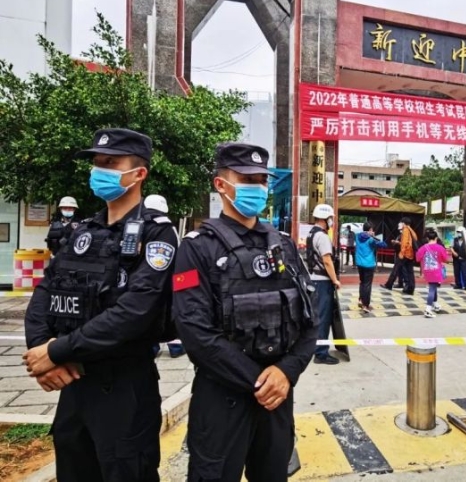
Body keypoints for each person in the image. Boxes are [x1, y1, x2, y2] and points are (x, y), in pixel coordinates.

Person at [23, 128, 179, 482]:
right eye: (97, 163)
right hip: (73, 383)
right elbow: (46, 290)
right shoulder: (82, 230)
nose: (99, 170)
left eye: (111, 163)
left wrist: (58, 350)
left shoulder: (157, 233)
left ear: (139, 173)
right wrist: (42, 350)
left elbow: (135, 311)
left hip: (123, 385)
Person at [171, 142, 318, 482]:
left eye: (262, 180)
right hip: (222, 398)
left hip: (277, 398)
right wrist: (261, 381)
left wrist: (286, 372)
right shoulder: (196, 248)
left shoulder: (283, 245)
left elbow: (311, 318)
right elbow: (194, 331)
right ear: (221, 185)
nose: (258, 187)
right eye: (247, 179)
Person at [144, 194, 185, 360]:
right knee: (171, 312)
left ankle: (152, 345)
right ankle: (175, 345)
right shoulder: (168, 228)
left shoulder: (137, 226)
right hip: (169, 280)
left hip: (144, 282)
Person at [305, 203, 341, 365]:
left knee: (317, 317)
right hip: (322, 282)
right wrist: (335, 280)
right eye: (331, 218)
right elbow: (327, 260)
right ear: (324, 218)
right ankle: (321, 353)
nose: (332, 220)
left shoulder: (311, 234)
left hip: (313, 280)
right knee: (323, 318)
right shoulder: (322, 236)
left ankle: (317, 349)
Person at [416, 228, 450, 318]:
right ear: (436, 238)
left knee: (433, 287)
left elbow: (418, 258)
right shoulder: (440, 248)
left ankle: (436, 304)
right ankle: (428, 309)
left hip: (427, 270)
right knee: (432, 289)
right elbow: (445, 259)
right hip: (436, 270)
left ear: (427, 238)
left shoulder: (423, 248)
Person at [354, 222, 387, 313]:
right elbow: (383, 245)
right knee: (367, 285)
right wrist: (374, 236)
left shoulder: (357, 236)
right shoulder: (371, 240)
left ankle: (361, 300)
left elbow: (362, 236)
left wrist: (369, 235)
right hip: (368, 264)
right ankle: (366, 305)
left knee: (362, 282)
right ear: (370, 230)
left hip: (359, 263)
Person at [380, 223, 406, 290]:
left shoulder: (405, 234)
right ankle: (400, 283)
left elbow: (405, 244)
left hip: (402, 254)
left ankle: (389, 284)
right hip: (400, 253)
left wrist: (397, 242)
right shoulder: (400, 235)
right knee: (400, 269)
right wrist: (395, 242)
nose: (399, 229)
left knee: (396, 269)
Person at [398, 217, 418, 295]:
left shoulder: (405, 230)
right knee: (410, 272)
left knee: (400, 269)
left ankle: (390, 284)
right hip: (411, 254)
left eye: (401, 222)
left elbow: (405, 243)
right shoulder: (410, 230)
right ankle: (411, 288)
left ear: (403, 223)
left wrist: (402, 253)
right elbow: (416, 238)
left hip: (406, 254)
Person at [450, 226, 466, 290]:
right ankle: (458, 284)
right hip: (456, 259)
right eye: (458, 232)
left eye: (460, 232)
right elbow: (451, 247)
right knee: (456, 272)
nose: (459, 233)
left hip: (464, 259)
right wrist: (454, 252)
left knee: (465, 272)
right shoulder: (454, 239)